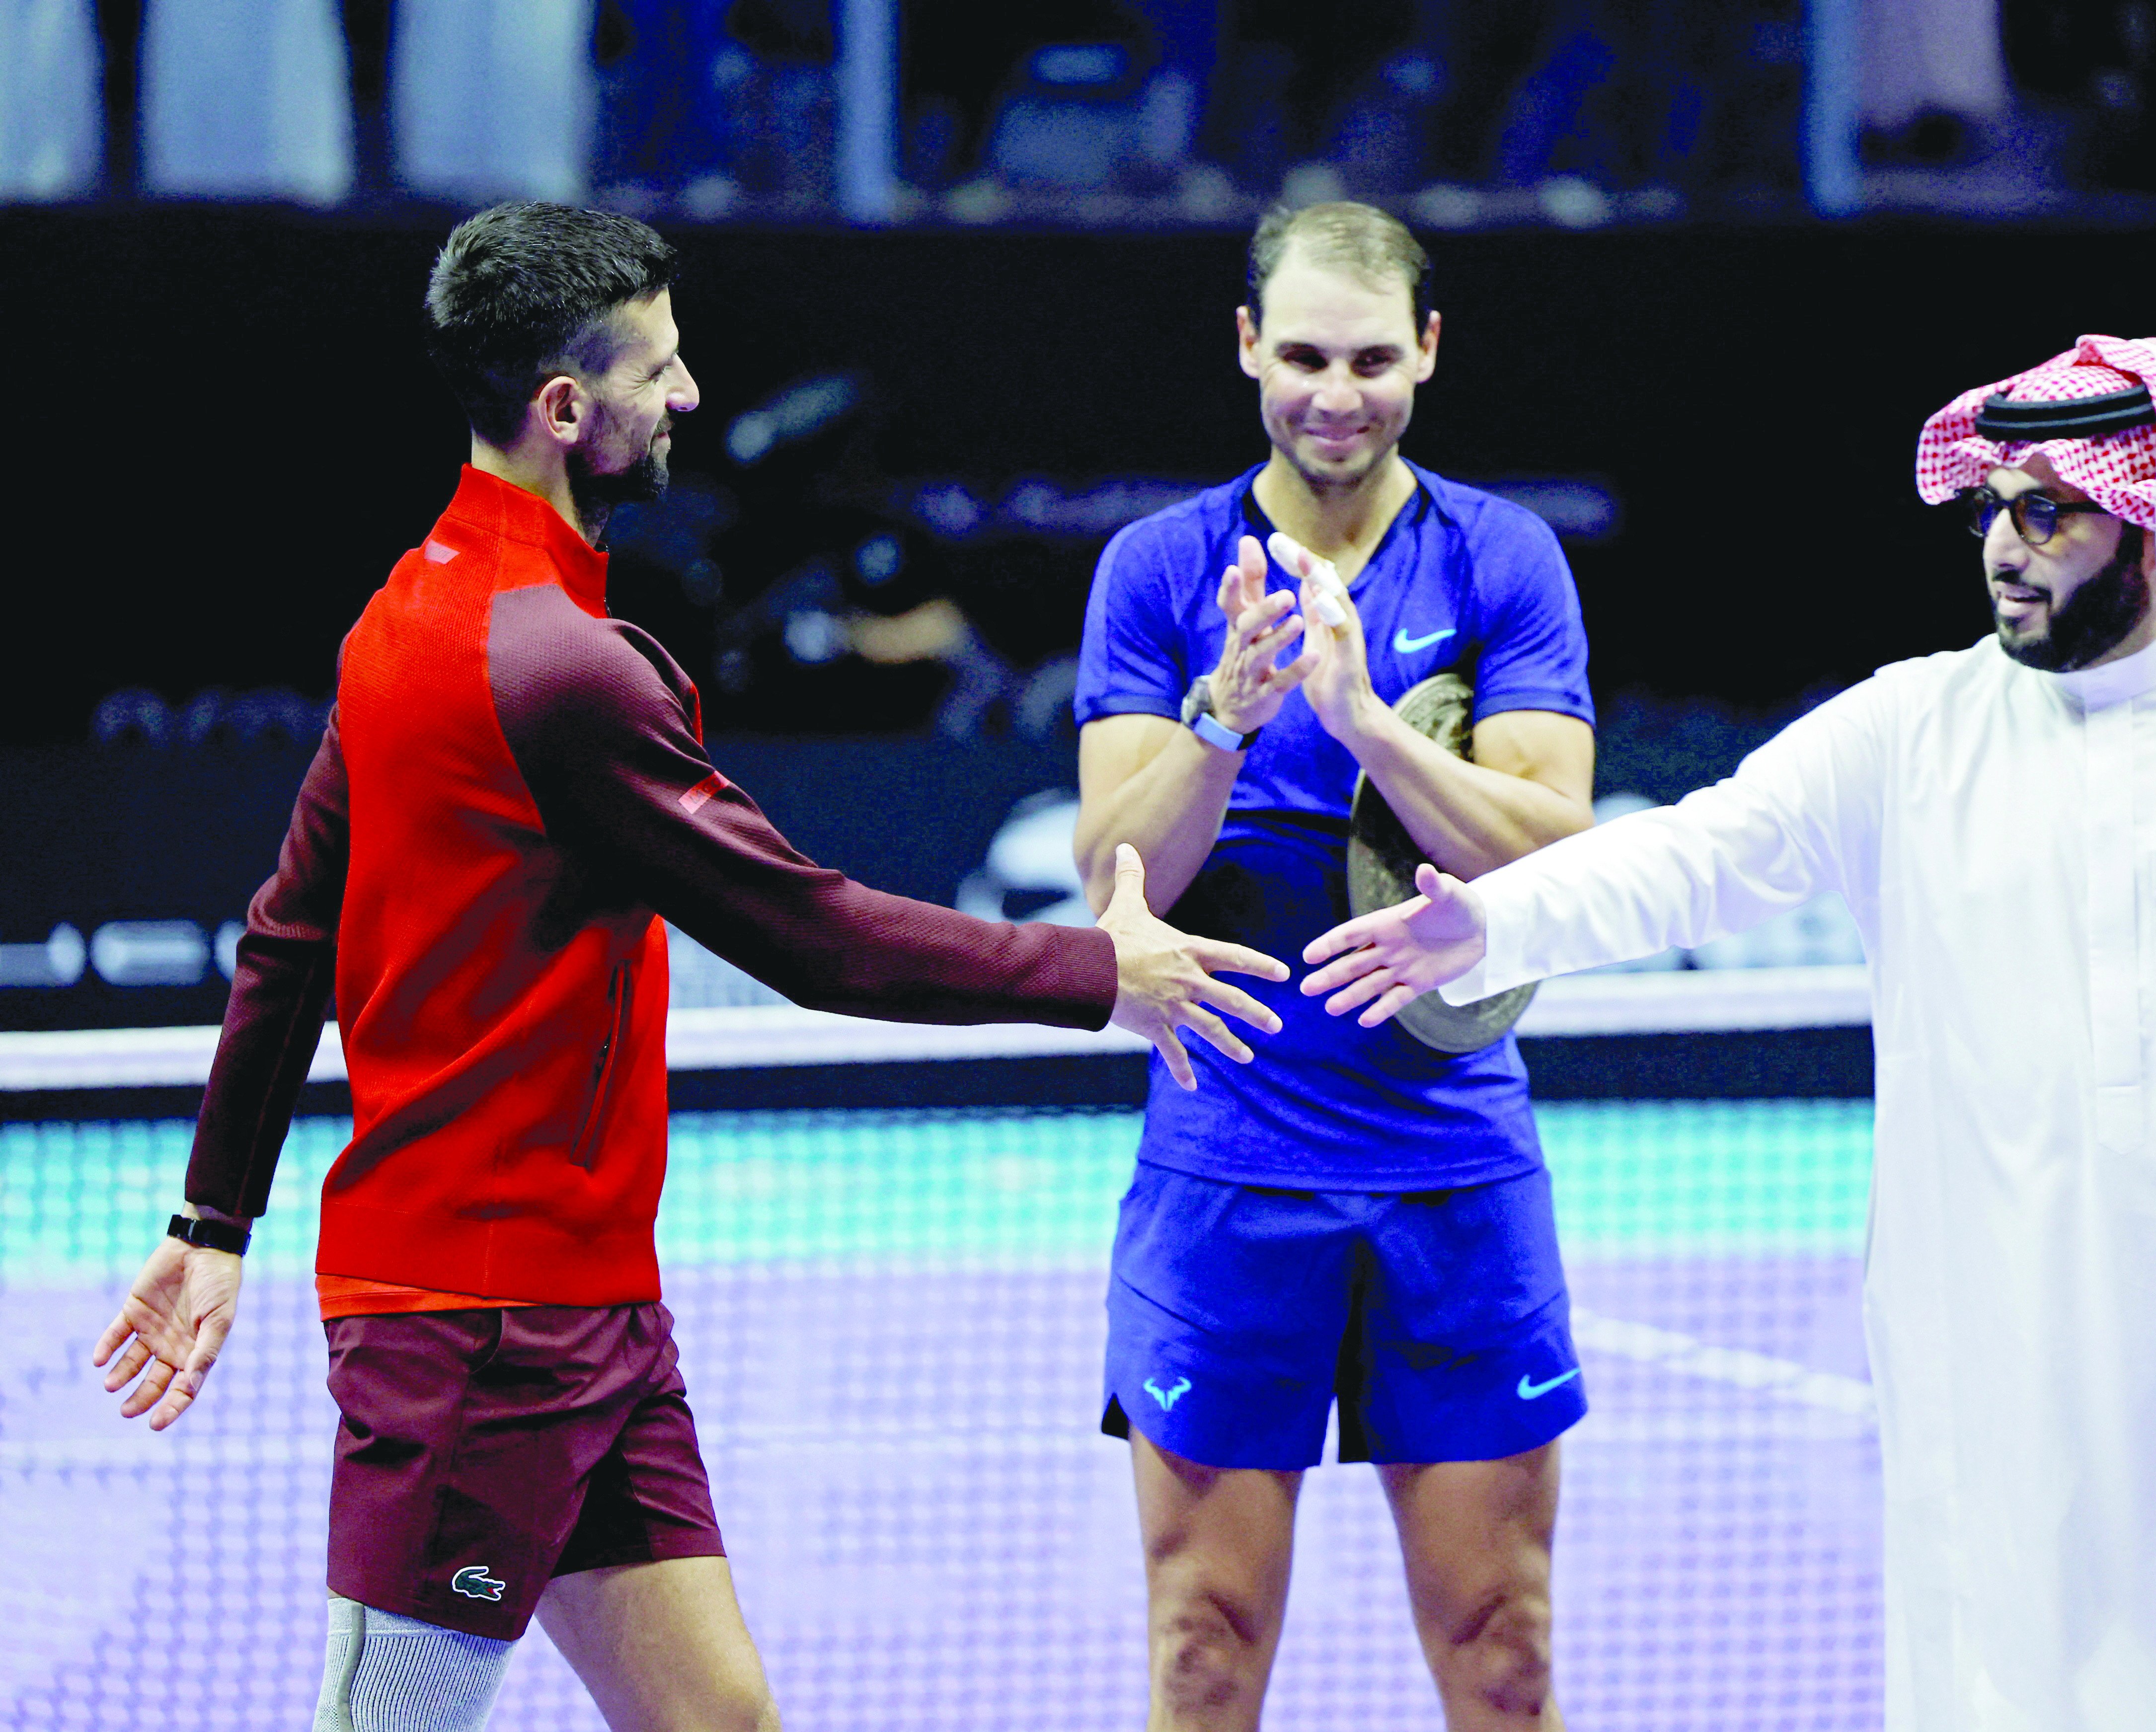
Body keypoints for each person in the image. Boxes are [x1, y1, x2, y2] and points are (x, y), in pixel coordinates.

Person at [90, 201, 1284, 1732]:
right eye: (660, 370)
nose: (692, 397)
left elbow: (286, 935)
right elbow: (815, 934)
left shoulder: (408, 616)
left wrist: (212, 1216)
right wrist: (1092, 970)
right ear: (566, 409)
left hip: (590, 1315)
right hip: (478, 1329)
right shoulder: (558, 667)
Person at [1301, 334, 2156, 1732]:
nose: (2003, 549)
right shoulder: (1912, 730)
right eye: (1991, 510)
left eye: (2048, 511)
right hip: (1998, 1345)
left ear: (2150, 521)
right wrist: (1493, 926)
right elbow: (1697, 851)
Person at [1071, 201, 1597, 1731]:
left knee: (1503, 1651)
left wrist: (1364, 718)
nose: (1333, 393)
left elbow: (1550, 855)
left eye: (1371, 358)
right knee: (1202, 1651)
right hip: (1229, 1166)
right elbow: (1119, 883)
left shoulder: (1502, 559)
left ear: (1426, 352)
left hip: (1453, 1163)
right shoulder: (1160, 568)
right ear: (1246, 347)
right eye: (1299, 354)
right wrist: (1224, 717)